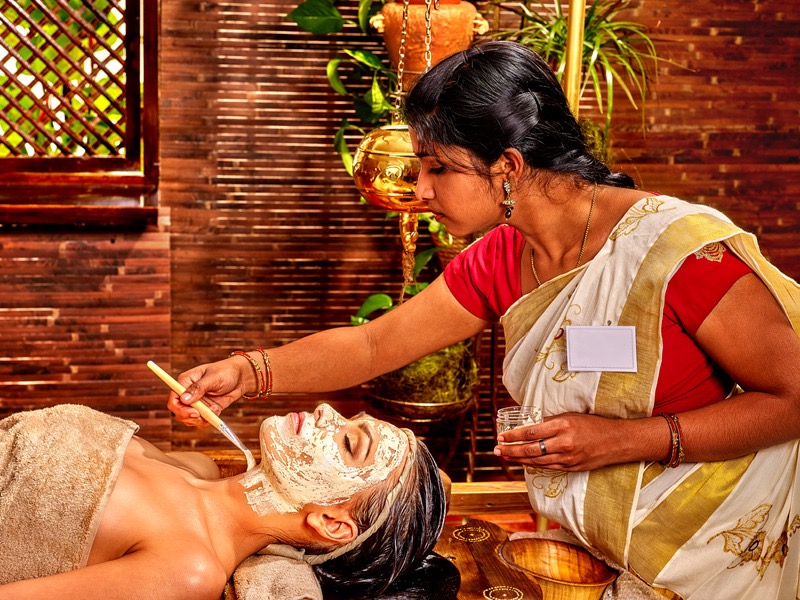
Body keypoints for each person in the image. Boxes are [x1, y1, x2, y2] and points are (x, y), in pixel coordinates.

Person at [168, 40, 800, 598]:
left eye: (438, 168)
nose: (420, 190)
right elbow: (374, 346)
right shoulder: (504, 256)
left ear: (508, 167)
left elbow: (793, 399)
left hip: (719, 551)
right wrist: (249, 372)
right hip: (595, 551)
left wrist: (622, 440)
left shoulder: (677, 254)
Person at [0, 402, 447, 600]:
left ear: (331, 522)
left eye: (350, 443)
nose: (326, 411)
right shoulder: (196, 466)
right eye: (349, 418)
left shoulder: (189, 570)